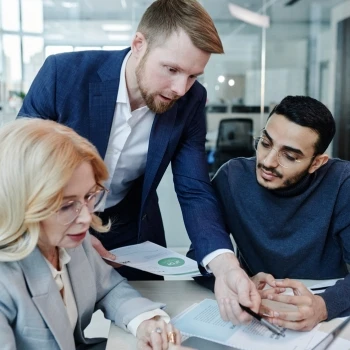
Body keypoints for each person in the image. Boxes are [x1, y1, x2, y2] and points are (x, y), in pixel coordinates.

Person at [18, 0, 260, 324]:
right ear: (139, 44)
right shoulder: (63, 75)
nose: (179, 89)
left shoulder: (191, 100)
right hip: (57, 222)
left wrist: (226, 264)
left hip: (131, 232)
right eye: (172, 69)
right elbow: (18, 169)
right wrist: (71, 227)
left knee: (149, 321)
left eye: (192, 76)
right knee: (55, 323)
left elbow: (194, 190)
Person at [0, 118, 190, 350]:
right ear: (19, 203)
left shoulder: (71, 242)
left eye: (89, 196)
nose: (86, 218)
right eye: (66, 205)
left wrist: (146, 323)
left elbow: (110, 287)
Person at [210, 95, 350, 331]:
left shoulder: (342, 183)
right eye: (265, 143)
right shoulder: (231, 178)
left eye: (289, 156)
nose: (268, 162)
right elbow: (202, 257)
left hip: (324, 311)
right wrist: (234, 279)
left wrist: (323, 306)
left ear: (317, 163)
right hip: (253, 309)